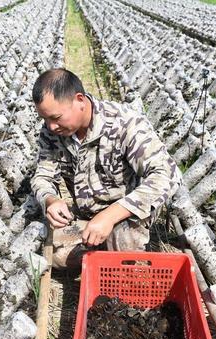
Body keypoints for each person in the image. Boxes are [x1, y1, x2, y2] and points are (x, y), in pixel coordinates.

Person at [30, 68, 182, 268]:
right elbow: (42, 176)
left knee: (123, 244)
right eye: (45, 119)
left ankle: (113, 255)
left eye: (56, 118)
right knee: (54, 252)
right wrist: (51, 200)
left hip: (126, 214)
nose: (50, 127)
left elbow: (168, 175)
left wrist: (110, 216)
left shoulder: (125, 124)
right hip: (87, 216)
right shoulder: (52, 132)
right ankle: (104, 255)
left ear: (79, 100)